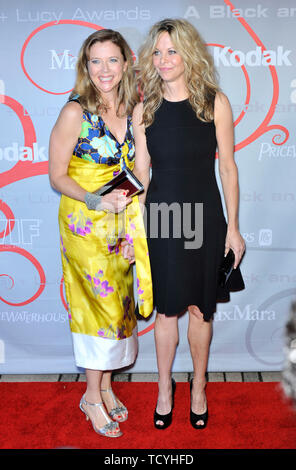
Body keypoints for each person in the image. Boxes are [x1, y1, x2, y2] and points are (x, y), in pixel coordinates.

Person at [132, 18, 245, 430]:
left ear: (189, 54)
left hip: (204, 218)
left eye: (172, 51)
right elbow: (142, 176)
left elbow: (228, 170)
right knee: (166, 312)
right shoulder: (144, 110)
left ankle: (198, 386)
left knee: (201, 310)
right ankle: (165, 388)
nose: (163, 60)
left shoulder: (214, 103)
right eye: (158, 52)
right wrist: (132, 231)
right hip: (161, 218)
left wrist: (233, 228)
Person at [49, 29, 152, 438]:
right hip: (84, 223)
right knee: (100, 307)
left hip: (123, 219)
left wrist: (134, 224)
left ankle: (106, 386)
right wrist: (96, 202)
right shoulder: (75, 111)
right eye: (95, 61)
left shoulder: (137, 108)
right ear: (85, 65)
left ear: (126, 63)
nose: (104, 70)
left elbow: (141, 170)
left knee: (121, 304)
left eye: (112, 60)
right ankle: (91, 396)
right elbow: (57, 176)